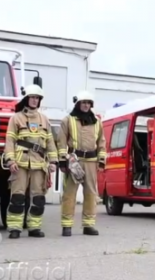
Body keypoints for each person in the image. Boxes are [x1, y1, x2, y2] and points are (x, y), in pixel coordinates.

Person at [3, 84, 58, 238]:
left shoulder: (44, 119)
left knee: (38, 198)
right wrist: (10, 160)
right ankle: (15, 228)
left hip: (39, 164)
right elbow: (9, 141)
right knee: (17, 197)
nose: (35, 100)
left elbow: (50, 143)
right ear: (26, 98)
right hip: (20, 163)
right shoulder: (16, 118)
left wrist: (53, 161)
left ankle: (34, 227)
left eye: (37, 98)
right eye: (32, 97)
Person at [58, 90, 106, 236]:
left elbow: (102, 142)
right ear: (78, 104)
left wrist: (102, 160)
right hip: (74, 161)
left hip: (91, 161)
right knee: (69, 194)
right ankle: (67, 225)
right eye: (83, 102)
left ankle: (88, 225)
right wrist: (62, 160)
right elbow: (61, 141)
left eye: (88, 103)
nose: (86, 105)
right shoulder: (68, 120)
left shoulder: (97, 122)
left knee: (91, 194)